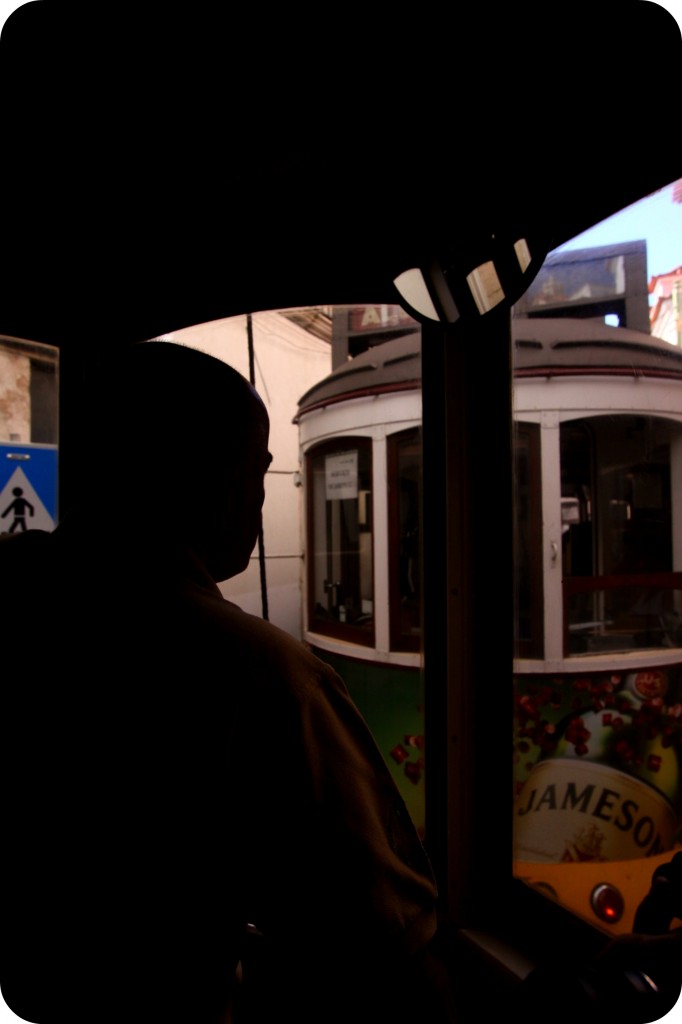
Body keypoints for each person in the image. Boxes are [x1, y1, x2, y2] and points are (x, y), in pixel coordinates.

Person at [0, 341, 455, 1024]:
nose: (258, 492)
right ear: (205, 480)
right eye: (256, 469)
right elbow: (385, 950)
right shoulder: (260, 677)